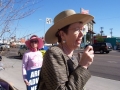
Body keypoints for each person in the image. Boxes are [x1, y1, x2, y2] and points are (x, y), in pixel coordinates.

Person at [37, 9, 94, 90]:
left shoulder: (72, 56)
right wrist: (83, 66)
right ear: (62, 34)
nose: (82, 34)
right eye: (77, 29)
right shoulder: (54, 53)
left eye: (82, 29)